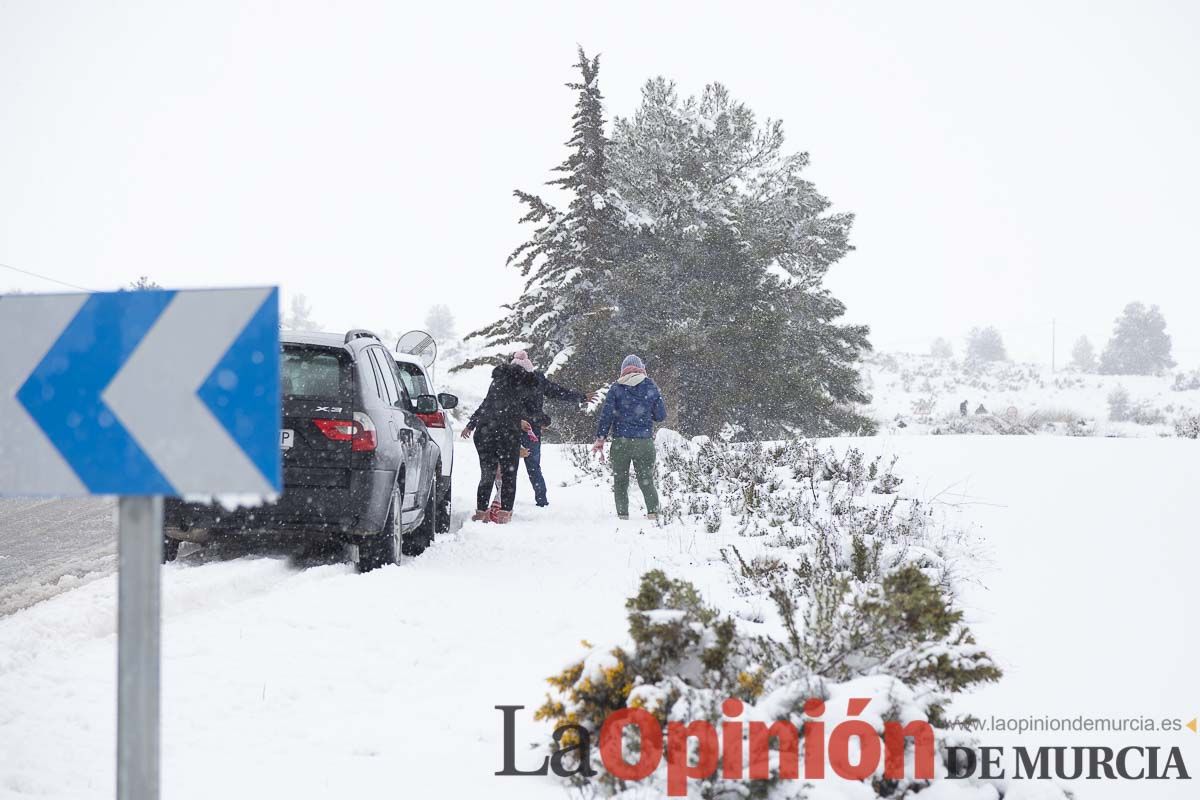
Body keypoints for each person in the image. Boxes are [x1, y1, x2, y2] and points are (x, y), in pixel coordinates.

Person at [509, 350, 595, 507]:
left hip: (510, 427)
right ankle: (541, 500)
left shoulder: (507, 381)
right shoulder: (537, 379)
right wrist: (580, 397)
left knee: (507, 466)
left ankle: (504, 502)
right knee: (534, 466)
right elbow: (558, 392)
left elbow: (499, 405)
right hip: (532, 428)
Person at [591, 355, 667, 520]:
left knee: (620, 481)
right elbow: (660, 415)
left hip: (620, 443)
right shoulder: (650, 386)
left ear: (623, 371)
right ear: (641, 369)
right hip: (644, 442)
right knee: (646, 480)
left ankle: (623, 516)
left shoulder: (616, 388)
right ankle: (653, 514)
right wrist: (646, 410)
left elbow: (606, 416)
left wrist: (600, 438)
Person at [461, 362, 538, 524]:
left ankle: (481, 513)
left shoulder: (496, 382)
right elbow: (530, 409)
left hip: (484, 433)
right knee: (509, 474)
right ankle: (504, 514)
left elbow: (487, 405)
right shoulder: (524, 384)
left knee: (487, 474)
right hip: (506, 434)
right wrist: (536, 420)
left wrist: (471, 424)